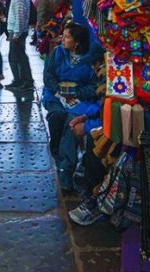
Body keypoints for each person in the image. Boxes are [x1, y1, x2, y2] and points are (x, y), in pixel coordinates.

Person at [42, 22, 104, 191]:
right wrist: (62, 92)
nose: (63, 39)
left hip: (81, 99)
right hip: (56, 96)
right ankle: (58, 153)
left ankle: (66, 168)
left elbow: (94, 86)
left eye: (67, 36)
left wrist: (76, 93)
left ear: (77, 42)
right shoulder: (57, 53)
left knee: (72, 123)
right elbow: (48, 77)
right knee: (55, 116)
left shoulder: (90, 59)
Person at [5, 0, 34, 92]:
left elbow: (20, 15)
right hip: (17, 31)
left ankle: (25, 81)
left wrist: (16, 33)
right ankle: (19, 80)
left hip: (18, 32)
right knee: (16, 57)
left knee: (19, 57)